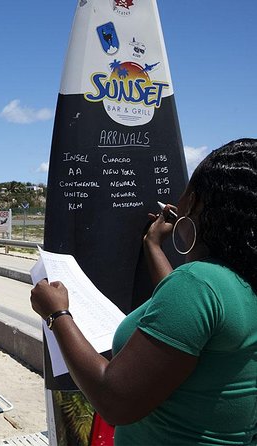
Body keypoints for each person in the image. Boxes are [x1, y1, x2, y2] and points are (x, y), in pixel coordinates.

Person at [29, 139, 257, 444]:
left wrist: (57, 314)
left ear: (197, 202)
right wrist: (153, 245)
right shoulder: (233, 280)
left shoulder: (199, 283)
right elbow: (187, 321)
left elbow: (114, 401)